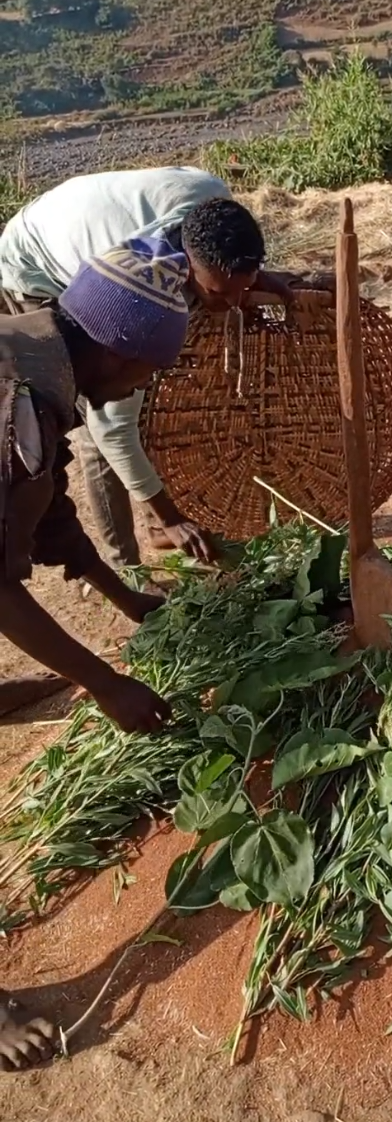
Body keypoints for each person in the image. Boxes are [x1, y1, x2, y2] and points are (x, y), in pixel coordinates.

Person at [0, 236, 200, 1070]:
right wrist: (105, 681)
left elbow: (45, 516)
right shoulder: (13, 400)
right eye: (146, 374)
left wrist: (131, 604)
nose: (142, 390)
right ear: (115, 351)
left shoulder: (38, 360)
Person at [0, 166, 300, 570]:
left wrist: (250, 282)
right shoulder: (132, 289)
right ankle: (127, 565)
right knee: (96, 416)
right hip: (35, 260)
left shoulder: (214, 208)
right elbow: (113, 428)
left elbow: (226, 267)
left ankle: (157, 521)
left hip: (77, 213)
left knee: (140, 390)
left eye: (240, 291)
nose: (232, 304)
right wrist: (173, 517)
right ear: (189, 268)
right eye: (218, 293)